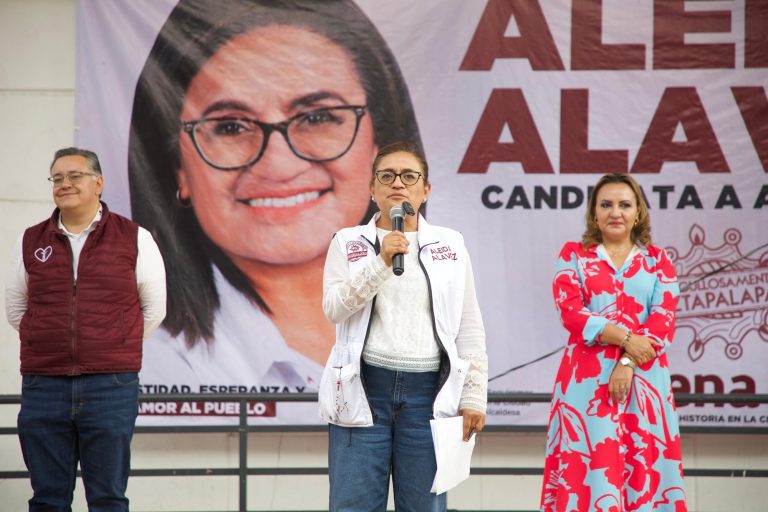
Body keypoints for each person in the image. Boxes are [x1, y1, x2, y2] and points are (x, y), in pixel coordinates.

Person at [127, 0, 422, 411]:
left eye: (318, 117)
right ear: (177, 169)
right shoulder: (151, 362)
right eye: (230, 126)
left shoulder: (435, 298)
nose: (278, 165)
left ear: (378, 145)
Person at [319, 141, 488, 511]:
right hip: (365, 389)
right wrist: (381, 261)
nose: (398, 183)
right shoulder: (348, 242)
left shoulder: (451, 244)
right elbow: (334, 308)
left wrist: (474, 395)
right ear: (372, 189)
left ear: (425, 190)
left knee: (424, 506)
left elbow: (469, 324)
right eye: (387, 176)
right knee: (353, 504)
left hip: (427, 395)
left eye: (409, 176)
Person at [4, 147, 166, 511]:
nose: (65, 184)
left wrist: (110, 344)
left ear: (98, 183)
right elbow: (16, 310)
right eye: (57, 178)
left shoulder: (135, 238)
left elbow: (153, 310)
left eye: (75, 176)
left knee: (108, 497)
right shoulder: (30, 241)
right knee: (48, 499)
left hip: (111, 385)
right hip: (44, 384)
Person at [540, 173, 687, 511]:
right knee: (587, 471)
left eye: (624, 204)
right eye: (606, 205)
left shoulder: (657, 261)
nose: (615, 212)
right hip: (586, 383)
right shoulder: (574, 255)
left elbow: (663, 321)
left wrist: (626, 361)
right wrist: (626, 339)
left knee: (647, 468)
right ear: (594, 213)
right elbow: (572, 313)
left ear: (639, 212)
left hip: (646, 381)